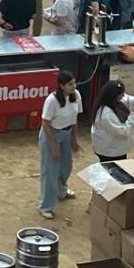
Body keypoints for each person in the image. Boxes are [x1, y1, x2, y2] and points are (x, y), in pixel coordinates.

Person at [37, 72, 81, 220]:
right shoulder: (52, 101)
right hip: (52, 134)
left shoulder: (76, 96)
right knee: (50, 171)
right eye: (70, 84)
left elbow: (74, 119)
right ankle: (45, 206)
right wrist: (53, 146)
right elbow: (45, 124)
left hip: (66, 133)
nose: (74, 86)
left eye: (74, 83)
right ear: (62, 86)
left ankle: (61, 191)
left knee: (66, 166)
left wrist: (74, 139)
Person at [89, 80, 134, 162]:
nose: (123, 96)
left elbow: (129, 99)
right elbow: (124, 131)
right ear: (114, 96)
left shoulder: (115, 100)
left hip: (116, 148)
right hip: (110, 152)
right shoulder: (107, 115)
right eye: (121, 95)